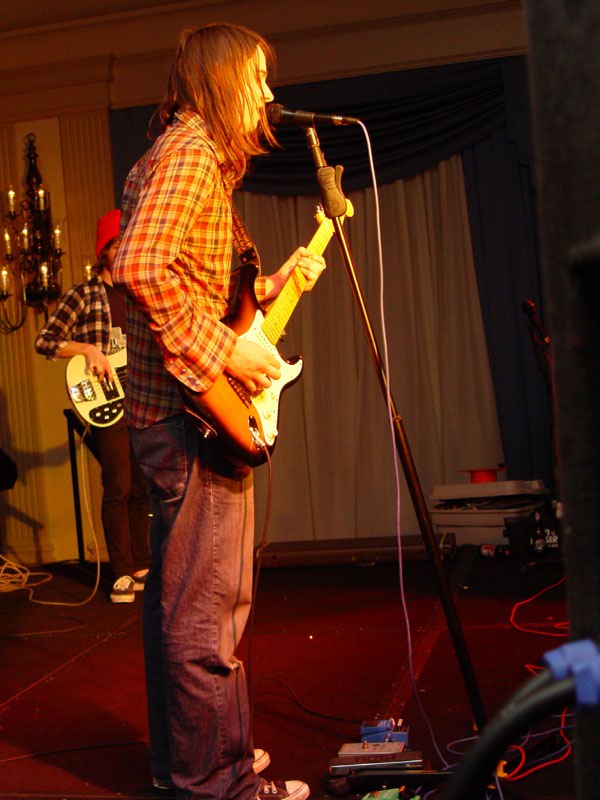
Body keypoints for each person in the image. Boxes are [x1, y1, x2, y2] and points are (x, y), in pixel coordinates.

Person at [111, 22, 326, 800]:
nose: (268, 94)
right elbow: (137, 266)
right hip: (191, 419)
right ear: (221, 79)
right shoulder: (192, 153)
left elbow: (195, 284)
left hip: (175, 417)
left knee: (184, 609)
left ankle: (195, 764)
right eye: (257, 77)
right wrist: (225, 351)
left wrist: (267, 291)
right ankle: (217, 785)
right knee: (207, 616)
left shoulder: (184, 154)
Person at [35, 210, 151, 603]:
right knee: (118, 484)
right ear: (104, 252)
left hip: (140, 397)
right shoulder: (83, 294)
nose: (124, 251)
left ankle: (142, 566)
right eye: (118, 245)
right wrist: (87, 349)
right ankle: (121, 573)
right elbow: (45, 340)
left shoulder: (139, 295)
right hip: (105, 399)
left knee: (142, 485)